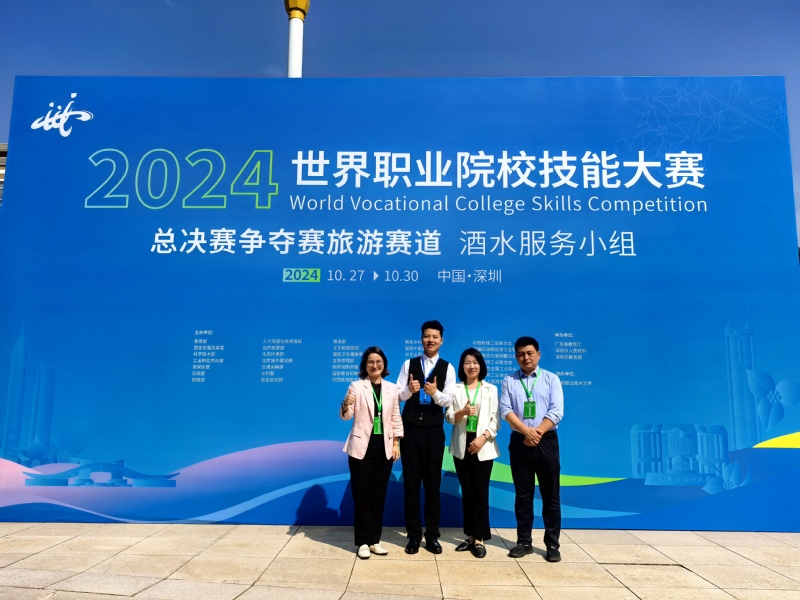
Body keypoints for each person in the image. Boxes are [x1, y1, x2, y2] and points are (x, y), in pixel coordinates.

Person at [499, 336, 564, 562]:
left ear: (538, 354)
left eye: (529, 353)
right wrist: (526, 432)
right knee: (523, 495)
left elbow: (556, 411)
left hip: (546, 441)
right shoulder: (509, 380)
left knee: (550, 496)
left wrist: (536, 433)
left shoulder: (551, 379)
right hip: (520, 441)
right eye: (520, 354)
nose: (525, 357)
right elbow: (506, 410)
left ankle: (552, 544)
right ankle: (524, 542)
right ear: (516, 356)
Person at [396, 320, 456, 554]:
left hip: (433, 432)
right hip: (410, 430)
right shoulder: (408, 364)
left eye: (435, 337)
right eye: (426, 336)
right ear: (421, 339)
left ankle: (432, 535)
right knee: (411, 485)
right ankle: (413, 535)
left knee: (433, 485)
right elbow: (397, 395)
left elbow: (449, 399)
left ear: (441, 340)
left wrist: (435, 393)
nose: (430, 340)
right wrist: (409, 390)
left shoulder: (448, 368)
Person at [340, 347, 403, 559]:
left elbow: (395, 417)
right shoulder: (356, 386)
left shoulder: (392, 389)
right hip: (361, 449)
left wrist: (396, 444)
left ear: (384, 364)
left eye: (378, 362)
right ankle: (362, 542)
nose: (374, 365)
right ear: (365, 366)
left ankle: (375, 540)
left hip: (384, 449)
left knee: (378, 496)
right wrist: (345, 404)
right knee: (362, 497)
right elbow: (346, 416)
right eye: (370, 362)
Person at [445, 348, 500, 558]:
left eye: (475, 362)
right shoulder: (455, 389)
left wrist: (483, 437)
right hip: (462, 446)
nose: (471, 366)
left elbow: (496, 420)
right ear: (462, 366)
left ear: (481, 365)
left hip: (482, 445)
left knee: (480, 493)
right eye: (467, 362)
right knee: (467, 493)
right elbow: (449, 417)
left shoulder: (491, 389)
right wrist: (463, 412)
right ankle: (469, 536)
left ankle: (480, 539)